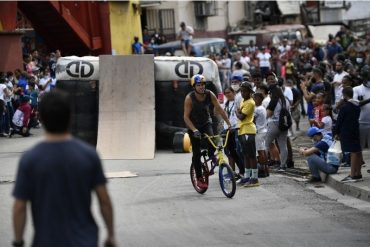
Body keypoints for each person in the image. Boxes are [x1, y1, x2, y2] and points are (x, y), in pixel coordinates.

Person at [12, 90, 116, 247]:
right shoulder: (89, 155)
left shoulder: (30, 159)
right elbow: (104, 200)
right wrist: (111, 235)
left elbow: (20, 206)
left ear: (41, 118)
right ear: (70, 117)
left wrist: (18, 242)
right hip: (85, 240)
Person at [184, 74, 231, 189]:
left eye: (203, 84)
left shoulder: (210, 94)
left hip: (206, 122)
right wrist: (194, 129)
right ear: (194, 86)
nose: (201, 87)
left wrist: (229, 123)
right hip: (193, 126)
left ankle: (210, 154)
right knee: (196, 152)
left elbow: (219, 109)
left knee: (213, 139)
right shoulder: (189, 98)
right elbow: (185, 117)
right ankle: (199, 178)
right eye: (199, 85)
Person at [335, 87, 363, 183]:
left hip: (347, 132)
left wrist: (336, 132)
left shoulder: (345, 107)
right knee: (358, 151)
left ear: (344, 95)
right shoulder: (357, 105)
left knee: (353, 152)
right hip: (355, 130)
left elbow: (339, 121)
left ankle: (352, 175)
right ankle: (358, 173)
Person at [236, 81, 259, 187]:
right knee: (245, 155)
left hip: (248, 130)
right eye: (241, 91)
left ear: (250, 92)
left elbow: (241, 116)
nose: (242, 93)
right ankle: (246, 176)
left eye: (245, 91)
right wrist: (238, 112)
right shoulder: (242, 101)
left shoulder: (250, 102)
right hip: (242, 129)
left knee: (251, 155)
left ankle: (254, 178)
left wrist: (237, 112)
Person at [223, 87, 244, 178]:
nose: (227, 94)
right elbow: (217, 113)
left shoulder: (238, 101)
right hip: (227, 129)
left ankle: (242, 171)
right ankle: (232, 172)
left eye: (229, 92)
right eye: (226, 93)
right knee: (228, 152)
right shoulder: (225, 103)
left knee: (237, 152)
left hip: (235, 129)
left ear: (233, 92)